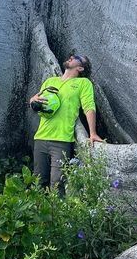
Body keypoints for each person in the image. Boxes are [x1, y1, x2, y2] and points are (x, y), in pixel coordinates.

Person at [29, 53, 104, 195]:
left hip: (62, 140)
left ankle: (57, 216)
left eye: (77, 57)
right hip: (41, 137)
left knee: (57, 184)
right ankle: (39, 214)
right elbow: (37, 102)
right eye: (72, 55)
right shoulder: (50, 81)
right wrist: (32, 100)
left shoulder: (83, 83)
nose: (71, 57)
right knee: (38, 181)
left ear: (80, 68)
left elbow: (88, 106)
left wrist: (92, 133)